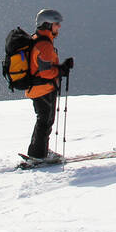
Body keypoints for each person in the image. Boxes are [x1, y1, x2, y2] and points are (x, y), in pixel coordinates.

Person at [25, 9, 74, 162]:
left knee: (43, 120)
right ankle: (38, 155)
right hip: (43, 89)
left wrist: (60, 69)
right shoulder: (44, 45)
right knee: (45, 121)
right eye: (56, 24)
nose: (59, 27)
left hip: (37, 89)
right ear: (47, 24)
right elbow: (45, 72)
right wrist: (62, 69)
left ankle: (39, 151)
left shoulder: (37, 39)